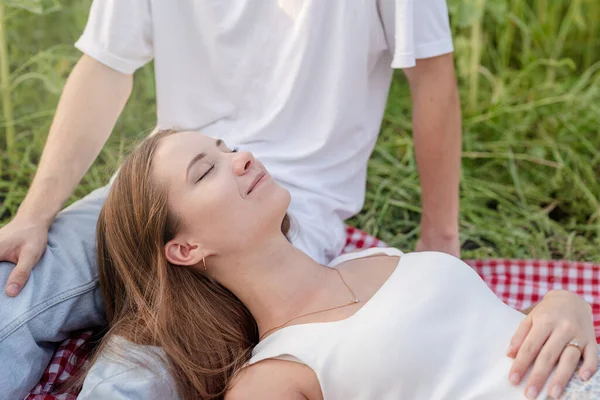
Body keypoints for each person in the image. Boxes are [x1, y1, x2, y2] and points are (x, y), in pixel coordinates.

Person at [0, 0, 580, 398]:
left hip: (288, 202)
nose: (243, 153)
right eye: (227, 153)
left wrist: (442, 245)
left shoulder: (261, 187)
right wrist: (34, 216)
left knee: (146, 358)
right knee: (17, 287)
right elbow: (105, 64)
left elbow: (432, 79)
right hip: (164, 184)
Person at [79, 129, 599, 400]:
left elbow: (485, 333)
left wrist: (563, 306)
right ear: (185, 249)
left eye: (227, 147)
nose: (241, 158)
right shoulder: (272, 378)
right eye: (205, 171)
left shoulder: (372, 257)